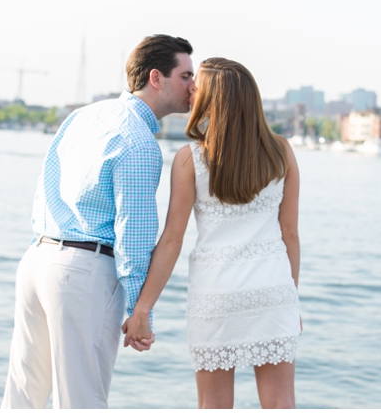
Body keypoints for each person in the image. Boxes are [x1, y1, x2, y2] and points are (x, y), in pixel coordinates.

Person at [0, 35, 195, 410]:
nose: (193, 86)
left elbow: (47, 186)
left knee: (22, 397)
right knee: (82, 401)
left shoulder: (85, 115)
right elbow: (133, 239)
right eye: (185, 76)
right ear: (157, 78)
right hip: (82, 273)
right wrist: (141, 311)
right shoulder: (139, 143)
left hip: (37, 260)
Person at [123, 58, 301, 410]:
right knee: (280, 403)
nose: (191, 89)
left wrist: (142, 308)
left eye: (197, 87)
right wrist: (290, 296)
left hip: (215, 294)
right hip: (273, 291)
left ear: (212, 100)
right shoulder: (282, 151)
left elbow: (172, 240)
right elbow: (290, 235)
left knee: (214, 406)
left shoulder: (191, 159)